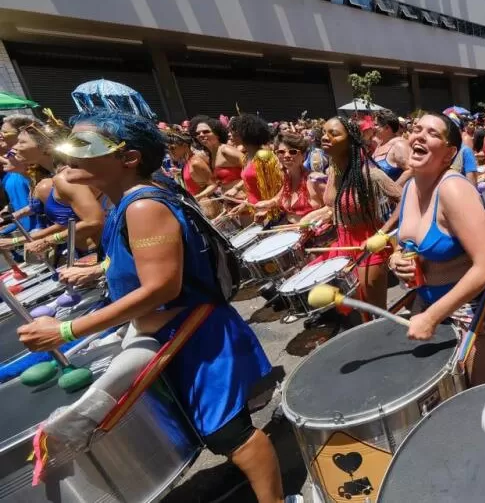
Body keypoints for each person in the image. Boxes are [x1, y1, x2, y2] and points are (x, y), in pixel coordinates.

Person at [15, 110, 296, 503]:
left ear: (129, 159)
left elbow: (161, 288)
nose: (70, 156)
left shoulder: (142, 206)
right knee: (217, 428)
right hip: (177, 335)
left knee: (230, 434)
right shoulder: (125, 202)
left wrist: (65, 331)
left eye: (84, 146)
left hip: (198, 338)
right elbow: (143, 263)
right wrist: (99, 269)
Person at [388, 113, 485, 386]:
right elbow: (403, 243)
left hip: (472, 308)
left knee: (474, 393)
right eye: (417, 129)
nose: (419, 135)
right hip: (426, 301)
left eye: (432, 133)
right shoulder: (409, 187)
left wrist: (431, 317)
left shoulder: (454, 190)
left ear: (449, 154)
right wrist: (395, 259)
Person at [300, 117, 401, 312]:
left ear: (350, 141)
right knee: (353, 310)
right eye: (324, 132)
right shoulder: (333, 172)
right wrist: (310, 220)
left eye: (334, 134)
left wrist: (384, 233)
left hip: (368, 246)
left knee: (374, 311)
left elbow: (405, 200)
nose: (325, 137)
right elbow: (333, 206)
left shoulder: (369, 174)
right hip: (342, 244)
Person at [0, 120, 106, 259]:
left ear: (47, 148)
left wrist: (46, 241)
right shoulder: (58, 176)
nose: (15, 147)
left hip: (99, 251)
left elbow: (94, 221)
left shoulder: (65, 178)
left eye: (22, 142)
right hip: (84, 253)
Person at [253, 132, 322, 225]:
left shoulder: (316, 179)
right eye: (281, 152)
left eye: (292, 152)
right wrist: (269, 203)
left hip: (315, 232)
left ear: (303, 155)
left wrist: (313, 216)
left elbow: (334, 206)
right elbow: (279, 197)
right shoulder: (287, 177)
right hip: (290, 229)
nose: (286, 155)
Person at [164, 129, 218, 217]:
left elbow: (213, 185)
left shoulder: (195, 163)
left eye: (173, 148)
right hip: (200, 207)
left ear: (185, 146)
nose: (170, 152)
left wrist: (195, 198)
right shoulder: (188, 162)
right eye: (168, 149)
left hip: (208, 208)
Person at [191, 115, 243, 194]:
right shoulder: (211, 155)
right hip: (228, 199)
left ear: (217, 134)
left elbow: (254, 169)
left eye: (206, 132)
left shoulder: (226, 150)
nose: (201, 135)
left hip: (245, 198)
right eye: (197, 133)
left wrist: (236, 188)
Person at [371, 110, 410, 181]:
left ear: (387, 128)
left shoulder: (399, 145)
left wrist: (395, 186)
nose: (373, 127)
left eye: (376, 125)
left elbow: (411, 170)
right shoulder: (380, 143)